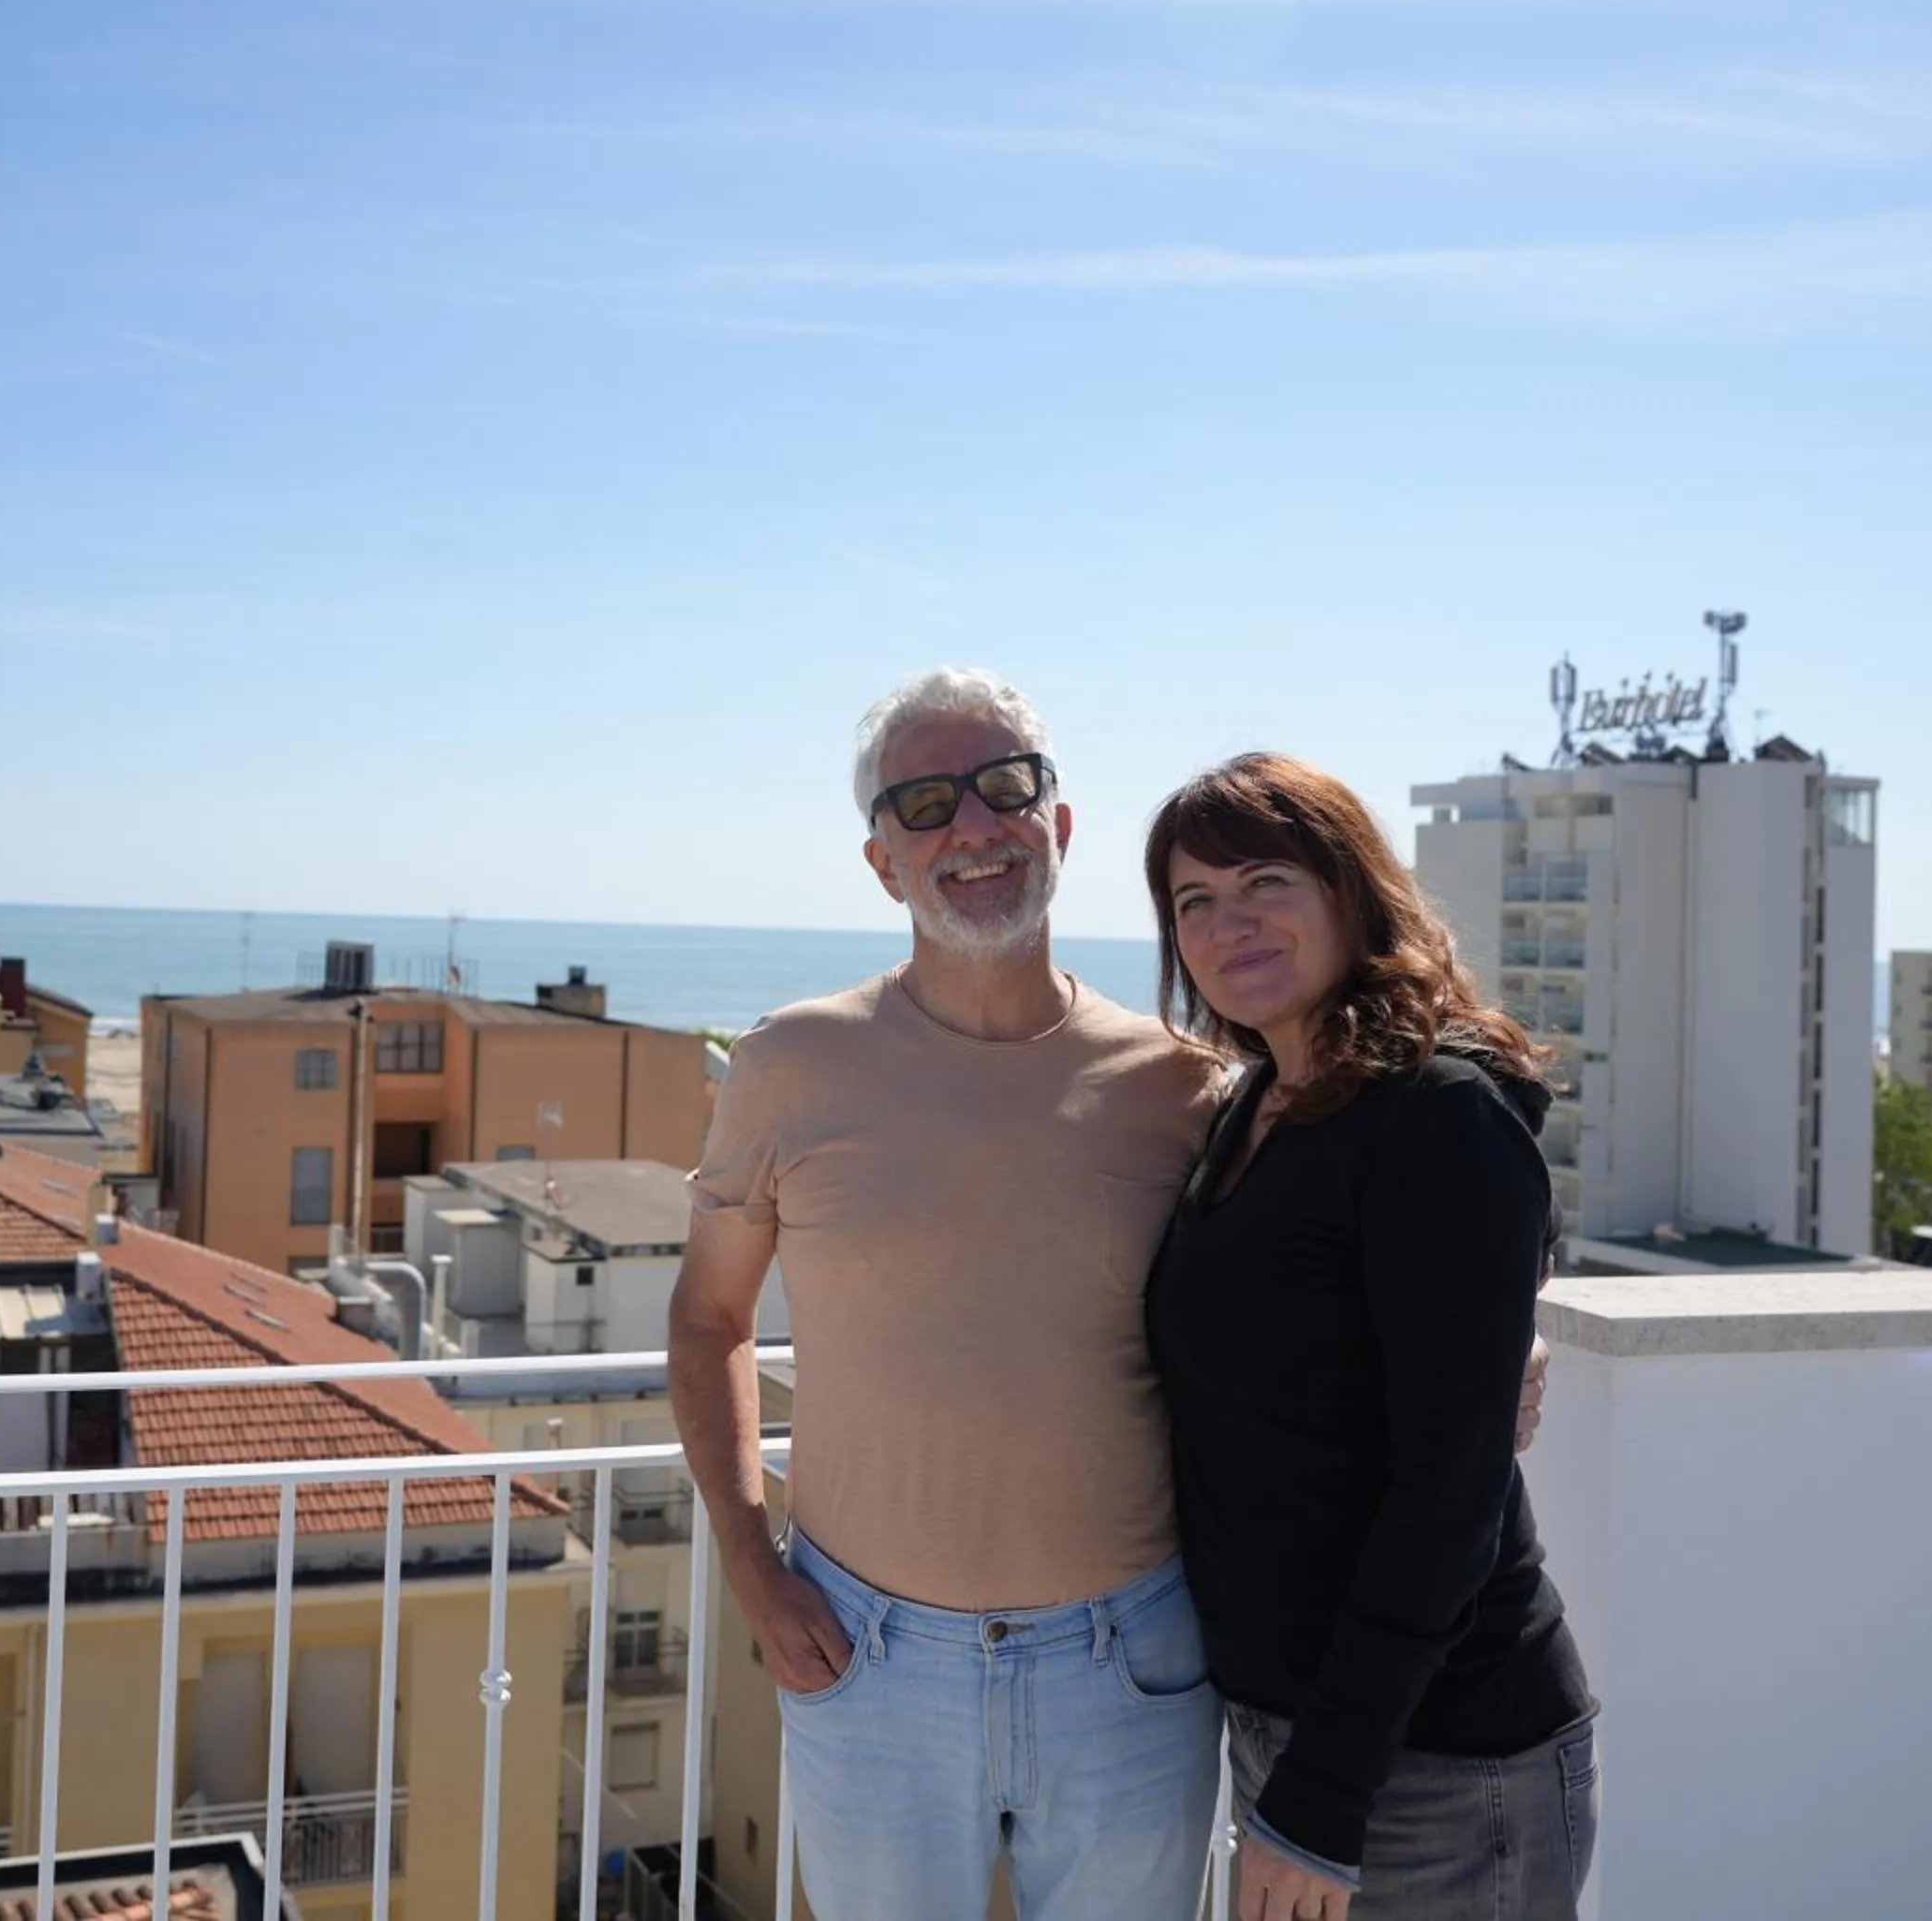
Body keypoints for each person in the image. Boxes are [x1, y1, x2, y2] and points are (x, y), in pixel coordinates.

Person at [667, 672, 1546, 1921]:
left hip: (1136, 1665)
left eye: (1004, 786)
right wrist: (754, 1567)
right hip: (868, 1660)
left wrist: (1514, 1321)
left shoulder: (1188, 1085)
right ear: (881, 862)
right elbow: (709, 1323)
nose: (971, 827)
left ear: (1059, 827)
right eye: (924, 803)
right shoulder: (786, 1064)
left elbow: (1378, 1208)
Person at [1142, 753, 1598, 1921]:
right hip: (1293, 1728)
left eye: (1262, 880)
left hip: (1438, 1761)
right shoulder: (1254, 1104)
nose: (1227, 921)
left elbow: (1449, 1489)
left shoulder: (1437, 1114)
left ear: (1349, 888)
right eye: (1193, 900)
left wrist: (1322, 1796)